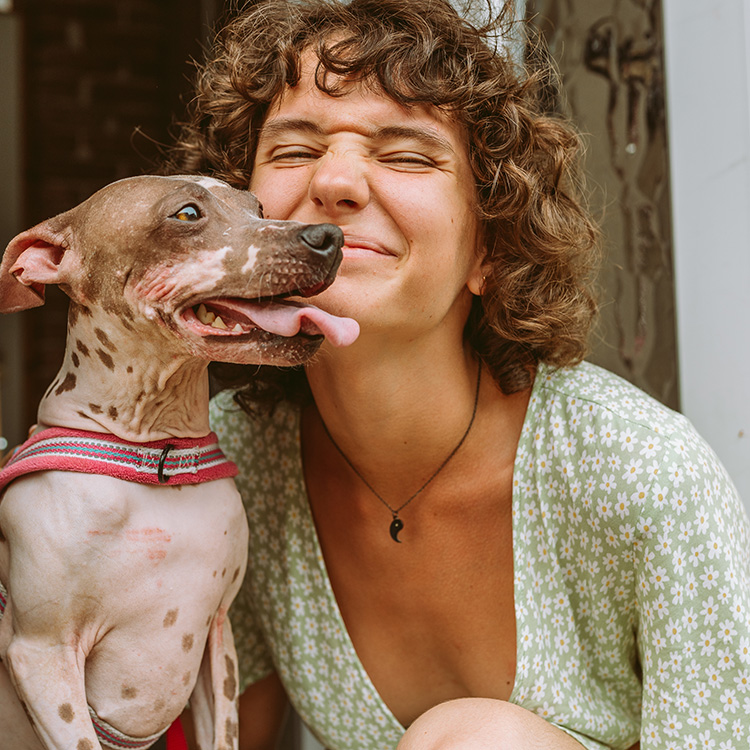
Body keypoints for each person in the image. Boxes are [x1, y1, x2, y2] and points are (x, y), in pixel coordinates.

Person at [166, 1, 750, 748]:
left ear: (491, 248)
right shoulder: (230, 463)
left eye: (406, 155)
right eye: (293, 150)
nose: (336, 182)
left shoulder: (641, 473)